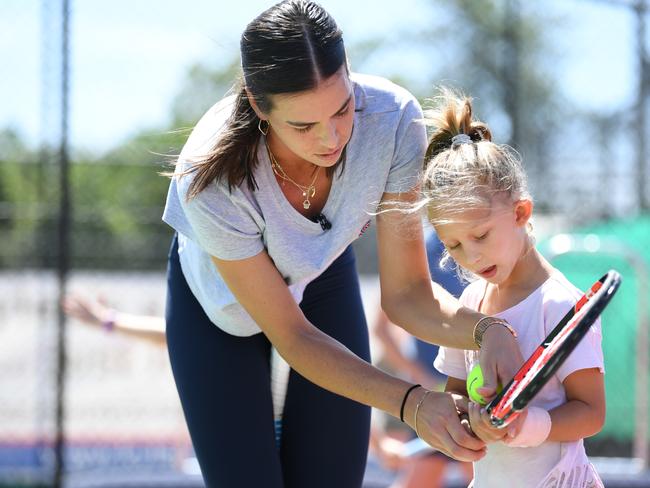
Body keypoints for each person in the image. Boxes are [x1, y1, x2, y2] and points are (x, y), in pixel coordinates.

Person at [161, 2, 522, 487]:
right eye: (303, 126)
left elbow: (408, 295)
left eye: (342, 107)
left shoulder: (393, 121)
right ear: (257, 103)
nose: (332, 138)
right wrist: (413, 403)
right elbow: (293, 336)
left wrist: (488, 331)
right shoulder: (209, 178)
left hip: (323, 273)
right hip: (219, 310)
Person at [421, 88, 606, 487]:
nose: (469, 256)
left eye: (481, 235)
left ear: (520, 212)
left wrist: (524, 425)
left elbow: (591, 412)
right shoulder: (470, 305)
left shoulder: (558, 303)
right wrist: (471, 418)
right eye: (453, 245)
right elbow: (455, 395)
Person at [370, 232, 474, 488]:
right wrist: (418, 375)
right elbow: (381, 328)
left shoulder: (483, 245)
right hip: (434, 398)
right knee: (425, 474)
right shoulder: (422, 248)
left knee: (480, 471)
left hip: (476, 394)